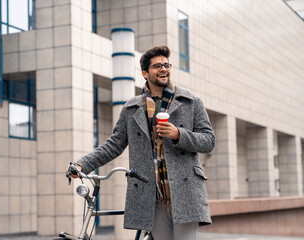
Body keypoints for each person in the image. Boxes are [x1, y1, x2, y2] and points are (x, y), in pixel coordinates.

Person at [67, 46, 215, 240]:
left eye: (166, 65)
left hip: (184, 193)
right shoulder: (132, 108)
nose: (163, 69)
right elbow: (114, 144)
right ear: (145, 73)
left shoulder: (191, 102)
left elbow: (208, 140)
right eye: (157, 66)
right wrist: (82, 164)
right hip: (151, 196)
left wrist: (179, 134)